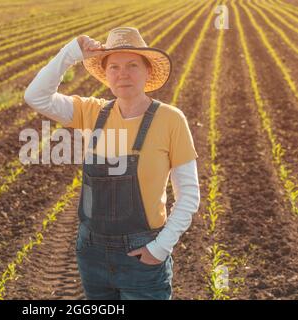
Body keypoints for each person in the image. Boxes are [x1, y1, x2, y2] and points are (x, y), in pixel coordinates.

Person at [24, 26, 200, 300]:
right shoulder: (92, 113)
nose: (123, 74)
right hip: (91, 252)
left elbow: (189, 195)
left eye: (132, 65)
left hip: (143, 255)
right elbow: (35, 96)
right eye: (114, 67)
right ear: (106, 74)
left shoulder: (171, 120)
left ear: (147, 72)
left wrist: (160, 248)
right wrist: (71, 53)